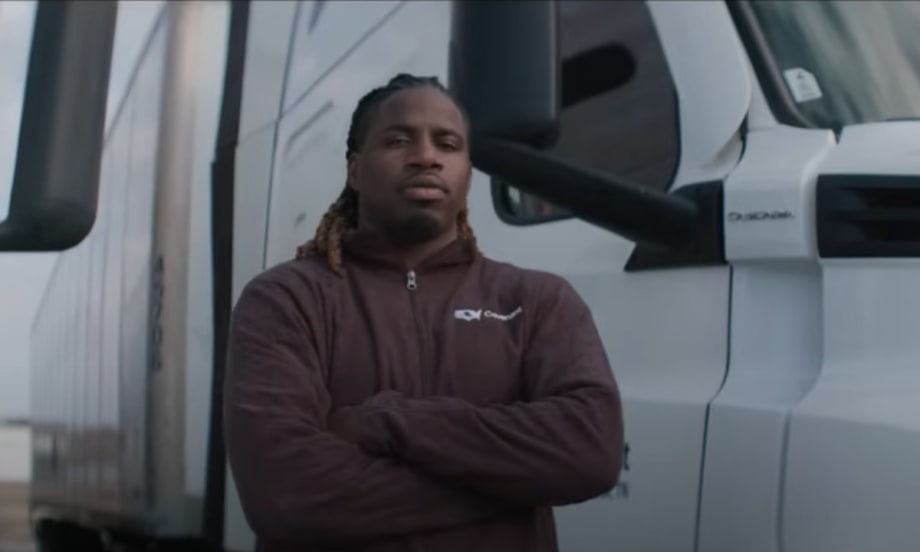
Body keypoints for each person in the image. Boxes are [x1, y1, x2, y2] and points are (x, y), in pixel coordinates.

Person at [224, 73, 624, 552]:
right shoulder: (286, 299)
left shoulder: (537, 300)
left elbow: (591, 449)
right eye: (398, 140)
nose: (426, 157)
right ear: (355, 171)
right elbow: (284, 493)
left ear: (468, 175)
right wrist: (513, 487)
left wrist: (386, 422)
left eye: (448, 144)